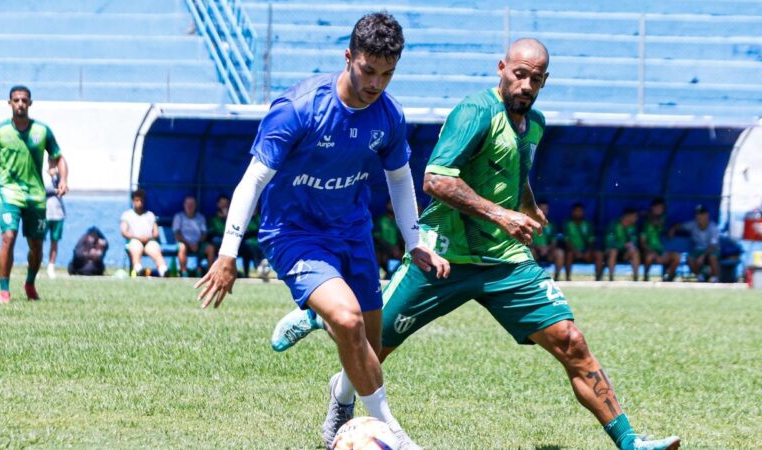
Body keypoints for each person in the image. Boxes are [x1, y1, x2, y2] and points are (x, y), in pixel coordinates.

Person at [271, 38, 680, 450]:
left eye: (535, 79)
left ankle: (630, 441)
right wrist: (501, 215)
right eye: (519, 74)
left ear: (544, 81)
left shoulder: (534, 124)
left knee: (571, 340)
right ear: (502, 68)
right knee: (371, 344)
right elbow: (436, 179)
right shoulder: (474, 112)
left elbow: (515, 179)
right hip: (443, 255)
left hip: (505, 261)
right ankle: (329, 347)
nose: (525, 84)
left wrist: (528, 207)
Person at [194, 12, 448, 449]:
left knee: (371, 340)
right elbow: (253, 179)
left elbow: (401, 178)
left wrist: (415, 243)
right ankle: (397, 436)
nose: (376, 84)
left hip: (352, 232)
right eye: (369, 71)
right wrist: (227, 253)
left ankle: (339, 393)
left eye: (387, 74)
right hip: (294, 233)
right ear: (348, 57)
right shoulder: (299, 109)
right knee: (347, 321)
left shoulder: (388, 115)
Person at [0, 85, 69, 303]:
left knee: (36, 246)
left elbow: (59, 157)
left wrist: (64, 180)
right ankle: (4, 290)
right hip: (8, 193)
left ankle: (30, 283)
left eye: (24, 100)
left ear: (30, 103)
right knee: (8, 237)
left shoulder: (42, 131)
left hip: (35, 196)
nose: (20, 104)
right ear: (9, 103)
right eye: (16, 100)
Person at [120, 188, 168, 277]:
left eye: (141, 200)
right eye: (137, 200)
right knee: (136, 247)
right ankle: (138, 269)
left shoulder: (150, 215)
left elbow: (156, 233)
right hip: (134, 240)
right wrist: (138, 237)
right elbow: (124, 232)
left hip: (149, 241)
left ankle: (163, 270)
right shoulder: (127, 215)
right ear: (133, 201)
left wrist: (148, 238)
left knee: (155, 249)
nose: (139, 203)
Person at [639, 198, 680, 282]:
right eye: (657, 208)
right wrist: (653, 253)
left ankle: (668, 277)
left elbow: (670, 235)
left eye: (661, 208)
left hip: (660, 252)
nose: (659, 210)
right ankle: (645, 278)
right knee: (649, 256)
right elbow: (642, 243)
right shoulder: (644, 223)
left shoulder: (663, 221)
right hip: (648, 252)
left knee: (677, 256)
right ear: (652, 208)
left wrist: (673, 228)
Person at [676, 205, 720, 282]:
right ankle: (699, 277)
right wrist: (673, 229)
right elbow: (681, 226)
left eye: (702, 214)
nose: (699, 216)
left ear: (707, 215)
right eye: (698, 214)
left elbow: (713, 245)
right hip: (698, 250)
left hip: (711, 249)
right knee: (689, 258)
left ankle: (715, 277)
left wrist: (703, 256)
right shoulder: (693, 225)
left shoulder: (713, 227)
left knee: (712, 257)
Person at [173, 195, 215, 276]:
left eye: (192, 204)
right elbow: (177, 234)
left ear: (195, 205)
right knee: (181, 247)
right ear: (184, 205)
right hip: (184, 243)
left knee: (211, 248)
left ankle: (210, 274)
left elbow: (204, 233)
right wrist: (189, 243)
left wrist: (197, 243)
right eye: (188, 204)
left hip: (198, 243)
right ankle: (184, 273)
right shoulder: (178, 217)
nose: (190, 206)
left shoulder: (201, 217)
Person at [564, 202, 604, 281]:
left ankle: (598, 278)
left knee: (598, 254)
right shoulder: (567, 224)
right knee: (569, 254)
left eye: (581, 211)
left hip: (586, 252)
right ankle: (568, 278)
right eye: (577, 211)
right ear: (573, 212)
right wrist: (575, 251)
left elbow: (591, 241)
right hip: (573, 252)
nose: (579, 213)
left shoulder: (588, 224)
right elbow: (567, 241)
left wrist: (588, 251)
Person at [529, 199, 563, 281]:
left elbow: (554, 241)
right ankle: (532, 278)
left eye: (546, 209)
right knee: (530, 252)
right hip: (535, 251)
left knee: (560, 253)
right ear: (536, 209)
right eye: (541, 209)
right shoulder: (530, 222)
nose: (544, 211)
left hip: (549, 252)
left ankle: (556, 278)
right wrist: (538, 248)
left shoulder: (552, 224)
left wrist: (547, 248)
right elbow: (527, 240)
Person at [604, 207, 641, 282]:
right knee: (613, 251)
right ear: (628, 216)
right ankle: (611, 278)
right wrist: (622, 245)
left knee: (635, 251)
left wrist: (628, 250)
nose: (636, 219)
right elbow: (610, 241)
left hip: (626, 253)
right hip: (612, 252)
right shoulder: (614, 225)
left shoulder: (633, 227)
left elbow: (634, 241)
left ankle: (635, 278)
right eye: (635, 216)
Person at [45, 157, 66, 279]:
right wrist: (55, 190)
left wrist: (57, 177)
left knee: (55, 241)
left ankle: (51, 266)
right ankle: (35, 266)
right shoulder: (43, 173)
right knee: (38, 241)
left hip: (58, 213)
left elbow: (64, 188)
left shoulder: (61, 175)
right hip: (45, 213)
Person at [373, 200, 405, 279]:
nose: (393, 205)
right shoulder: (381, 220)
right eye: (391, 203)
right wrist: (391, 248)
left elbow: (402, 238)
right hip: (383, 249)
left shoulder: (399, 221)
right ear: (387, 205)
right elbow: (377, 237)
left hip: (397, 251)